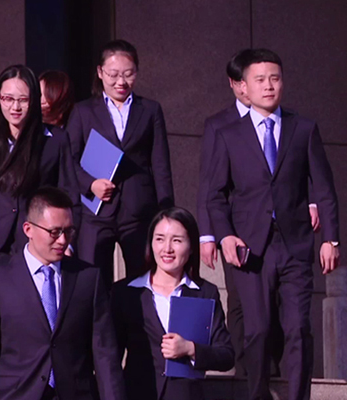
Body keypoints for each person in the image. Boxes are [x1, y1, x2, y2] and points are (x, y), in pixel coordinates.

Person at [206, 48, 340, 400]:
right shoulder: (228, 133)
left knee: (298, 328)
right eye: (260, 80)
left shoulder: (303, 128)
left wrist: (331, 239)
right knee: (258, 329)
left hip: (295, 244)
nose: (268, 86)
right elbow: (214, 194)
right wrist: (224, 236)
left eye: (275, 79)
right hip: (251, 248)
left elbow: (324, 189)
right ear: (244, 87)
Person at [0, 187, 126, 400]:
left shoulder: (88, 278)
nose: (62, 240)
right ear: (28, 229)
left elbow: (105, 355)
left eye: (68, 231)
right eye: (54, 232)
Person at [197, 49, 286, 378]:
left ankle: (271, 365)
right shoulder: (220, 125)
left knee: (277, 300)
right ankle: (245, 368)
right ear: (236, 84)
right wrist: (208, 235)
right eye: (244, 81)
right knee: (239, 301)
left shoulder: (282, 122)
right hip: (236, 230)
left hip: (279, 230)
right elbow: (210, 185)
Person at [67, 39, 174, 286]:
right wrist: (90, 184)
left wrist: (167, 211)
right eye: (113, 74)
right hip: (95, 212)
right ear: (100, 72)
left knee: (141, 282)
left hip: (139, 209)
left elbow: (160, 164)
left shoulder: (150, 110)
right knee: (93, 282)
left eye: (128, 74)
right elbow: (68, 159)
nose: (121, 82)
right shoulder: (83, 111)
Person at [0, 65, 80, 273]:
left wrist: (67, 242)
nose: (15, 107)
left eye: (23, 100)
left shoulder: (55, 140)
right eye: (8, 98)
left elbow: (70, 195)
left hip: (37, 243)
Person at [112, 207, 234, 400]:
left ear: (191, 246)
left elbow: (226, 355)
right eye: (160, 239)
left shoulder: (205, 293)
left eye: (177, 240)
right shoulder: (126, 292)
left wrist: (191, 349)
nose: (167, 248)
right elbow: (110, 356)